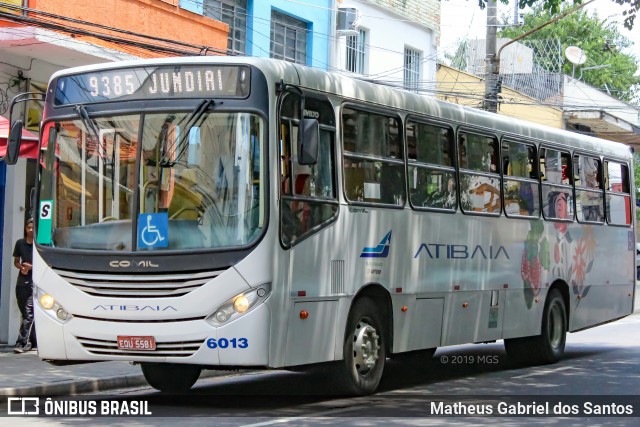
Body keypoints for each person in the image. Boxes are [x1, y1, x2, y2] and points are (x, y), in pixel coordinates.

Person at [13, 218, 36, 353]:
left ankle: (21, 343)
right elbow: (16, 261)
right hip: (21, 282)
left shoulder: (38, 244)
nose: (30, 230)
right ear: (26, 229)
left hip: (33, 282)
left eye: (33, 228)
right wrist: (22, 267)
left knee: (28, 313)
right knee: (25, 312)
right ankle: (35, 341)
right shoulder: (20, 243)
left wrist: (31, 267)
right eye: (28, 227)